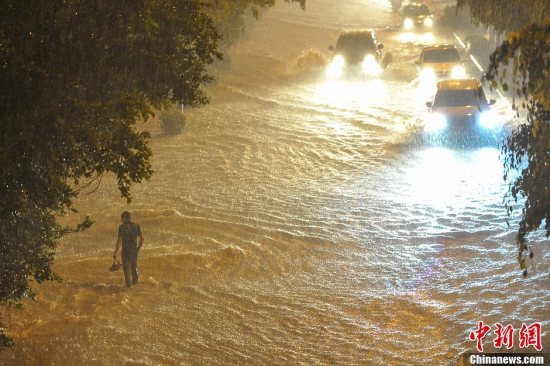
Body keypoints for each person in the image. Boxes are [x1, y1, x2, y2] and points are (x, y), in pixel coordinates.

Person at [113, 211, 144, 287]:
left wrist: (116, 252)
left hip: (125, 251)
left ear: (124, 218)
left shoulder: (122, 228)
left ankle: (129, 288)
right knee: (133, 268)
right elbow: (142, 239)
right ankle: (135, 286)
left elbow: (119, 241)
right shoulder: (136, 226)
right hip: (133, 251)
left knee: (126, 270)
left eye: (122, 219)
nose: (121, 221)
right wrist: (137, 249)